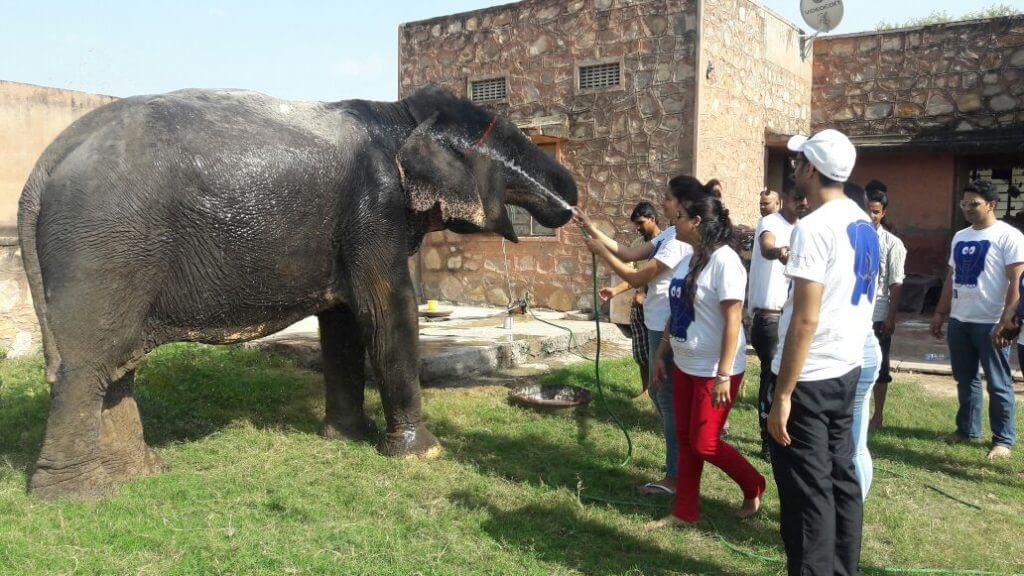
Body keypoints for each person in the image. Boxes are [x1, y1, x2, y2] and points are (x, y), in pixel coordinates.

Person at [766, 129, 877, 576]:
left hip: (810, 377)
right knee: (840, 479)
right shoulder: (861, 220)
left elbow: (804, 320)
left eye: (798, 163)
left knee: (809, 493)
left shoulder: (813, 227)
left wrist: (783, 394)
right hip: (845, 368)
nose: (794, 170)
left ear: (811, 169)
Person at [575, 175, 709, 496]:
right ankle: (680, 467)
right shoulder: (671, 234)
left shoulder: (679, 242)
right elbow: (628, 251)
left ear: (682, 202)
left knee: (667, 402)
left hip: (668, 328)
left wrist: (600, 253)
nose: (662, 203)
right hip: (655, 325)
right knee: (662, 400)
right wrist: (590, 227)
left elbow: (637, 277)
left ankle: (676, 477)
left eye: (668, 198)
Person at [645, 195, 766, 529]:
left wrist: (724, 375)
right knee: (685, 439)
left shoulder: (725, 260)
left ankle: (754, 484)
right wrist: (660, 353)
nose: (674, 221)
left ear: (697, 221)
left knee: (705, 442)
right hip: (685, 363)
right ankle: (684, 513)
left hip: (715, 368)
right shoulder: (689, 256)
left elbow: (733, 321)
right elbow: (678, 309)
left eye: (680, 216)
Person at [929, 180, 1024, 460]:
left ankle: (1003, 439)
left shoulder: (1009, 236)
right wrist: (940, 312)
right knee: (965, 378)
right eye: (964, 204)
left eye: (974, 204)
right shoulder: (960, 236)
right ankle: (967, 430)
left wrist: (1008, 318)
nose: (967, 209)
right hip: (961, 320)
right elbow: (952, 277)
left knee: (998, 381)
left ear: (991, 205)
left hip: (992, 321)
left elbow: (1017, 280)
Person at [748, 185, 808, 460]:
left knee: (790, 378)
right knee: (772, 376)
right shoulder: (770, 221)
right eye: (797, 197)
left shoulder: (807, 228)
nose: (803, 202)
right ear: (785, 200)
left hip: (791, 317)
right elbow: (767, 245)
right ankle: (766, 438)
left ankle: (783, 433)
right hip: (770, 317)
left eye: (805, 198)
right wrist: (779, 251)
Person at [598, 201, 662, 398]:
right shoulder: (637, 245)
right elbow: (634, 274)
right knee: (641, 354)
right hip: (639, 308)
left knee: (657, 354)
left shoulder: (666, 242)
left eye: (641, 222)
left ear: (652, 219)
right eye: (636, 224)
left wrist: (644, 292)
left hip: (658, 308)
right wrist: (615, 290)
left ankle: (659, 393)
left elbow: (651, 275)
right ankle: (646, 390)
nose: (638, 228)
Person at [844, 182, 883, 500]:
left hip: (852, 348)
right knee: (856, 440)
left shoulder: (850, 235)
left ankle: (852, 508)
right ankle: (853, 505)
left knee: (852, 442)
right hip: (864, 344)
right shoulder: (869, 235)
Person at [865, 184, 906, 433]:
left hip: (878, 316)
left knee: (880, 368)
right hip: (853, 314)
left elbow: (896, 283)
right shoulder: (851, 239)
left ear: (883, 213)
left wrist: (891, 316)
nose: (871, 216)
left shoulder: (893, 244)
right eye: (867, 210)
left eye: (876, 212)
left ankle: (877, 415)